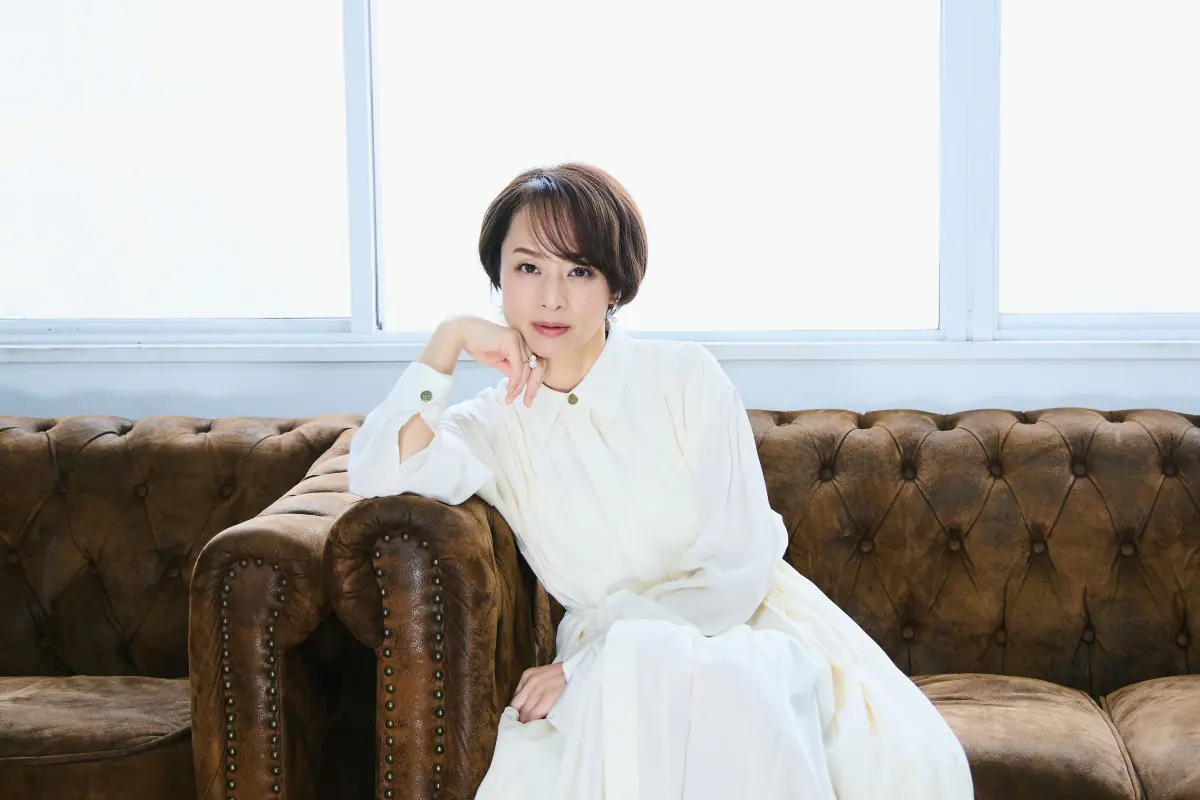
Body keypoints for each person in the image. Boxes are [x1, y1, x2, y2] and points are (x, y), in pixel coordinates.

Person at [348, 163, 974, 798]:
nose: (551, 298)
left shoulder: (684, 377)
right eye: (528, 267)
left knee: (741, 684)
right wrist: (448, 341)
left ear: (616, 286)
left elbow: (739, 564)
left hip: (741, 626)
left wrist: (593, 663)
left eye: (579, 271)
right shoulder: (493, 422)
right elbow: (377, 469)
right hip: (609, 659)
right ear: (498, 278)